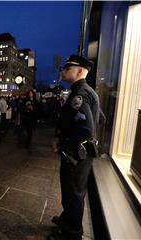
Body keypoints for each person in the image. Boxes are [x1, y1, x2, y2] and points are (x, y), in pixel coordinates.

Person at [49, 55, 100, 240]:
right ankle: (66, 220)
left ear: (79, 71)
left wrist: (67, 146)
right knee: (72, 193)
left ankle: (71, 233)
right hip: (81, 154)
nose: (63, 70)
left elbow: (86, 129)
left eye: (67, 67)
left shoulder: (80, 93)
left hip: (76, 155)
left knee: (73, 195)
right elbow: (100, 119)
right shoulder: (87, 91)